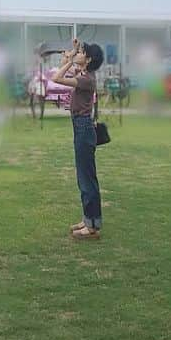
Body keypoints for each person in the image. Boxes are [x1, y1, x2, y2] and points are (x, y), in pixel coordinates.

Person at [52, 39, 105, 240]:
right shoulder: (84, 75)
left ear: (88, 59)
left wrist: (71, 58)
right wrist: (72, 53)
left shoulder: (86, 79)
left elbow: (57, 77)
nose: (79, 54)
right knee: (83, 176)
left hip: (83, 128)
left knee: (86, 178)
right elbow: (62, 67)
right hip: (80, 126)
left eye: (83, 52)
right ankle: (88, 219)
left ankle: (92, 226)